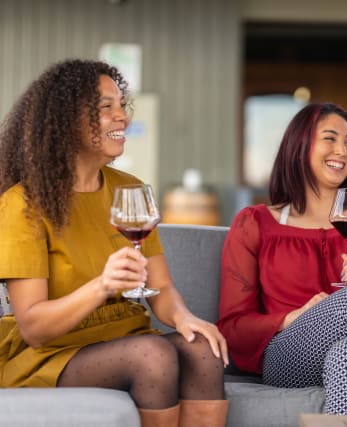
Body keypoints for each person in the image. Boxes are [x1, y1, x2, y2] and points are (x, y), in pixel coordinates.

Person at [0, 59, 228, 427]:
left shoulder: (130, 189)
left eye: (122, 105)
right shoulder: (21, 204)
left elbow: (162, 288)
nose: (122, 116)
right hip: (52, 353)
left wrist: (184, 317)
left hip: (124, 338)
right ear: (65, 121)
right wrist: (102, 286)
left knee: (202, 349)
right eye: (106, 108)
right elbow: (33, 327)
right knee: (153, 354)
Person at [218, 102, 347, 415]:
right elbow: (233, 326)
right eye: (330, 139)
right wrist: (291, 318)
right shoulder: (255, 224)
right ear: (299, 146)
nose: (342, 151)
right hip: (288, 355)